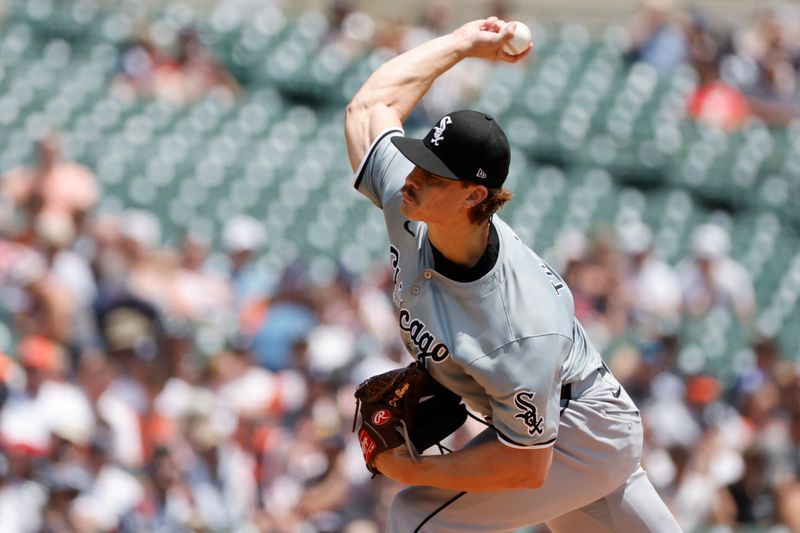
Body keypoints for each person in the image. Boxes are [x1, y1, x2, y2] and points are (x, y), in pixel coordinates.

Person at [344, 16, 681, 531]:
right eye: (416, 161)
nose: (410, 177)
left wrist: (410, 467)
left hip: (577, 434)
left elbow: (526, 465)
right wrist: (461, 44)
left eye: (431, 174)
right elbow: (370, 106)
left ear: (474, 195)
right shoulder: (411, 199)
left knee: (416, 517)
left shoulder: (519, 324)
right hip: (568, 428)